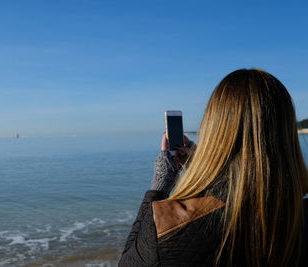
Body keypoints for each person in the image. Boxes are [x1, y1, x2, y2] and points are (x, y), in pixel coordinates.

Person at [118, 69, 308, 267]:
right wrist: (207, 167)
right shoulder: (298, 214)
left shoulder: (172, 225)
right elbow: (246, 187)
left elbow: (128, 262)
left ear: (213, 129)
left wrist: (159, 186)